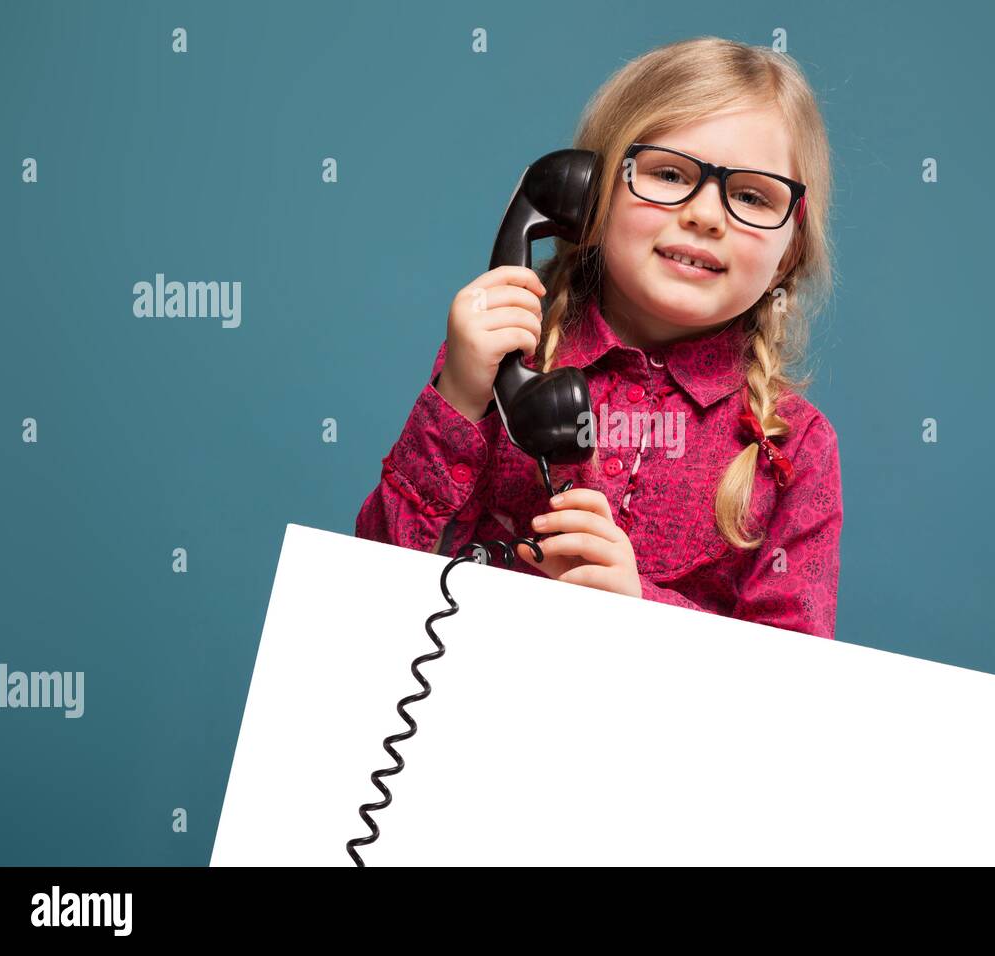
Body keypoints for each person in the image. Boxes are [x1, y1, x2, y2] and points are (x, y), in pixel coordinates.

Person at [356, 36, 843, 639]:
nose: (707, 215)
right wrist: (456, 397)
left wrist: (641, 609)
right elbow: (369, 588)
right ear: (584, 196)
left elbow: (796, 685)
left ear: (789, 245)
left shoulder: (797, 450)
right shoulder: (506, 360)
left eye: (751, 195)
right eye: (669, 174)